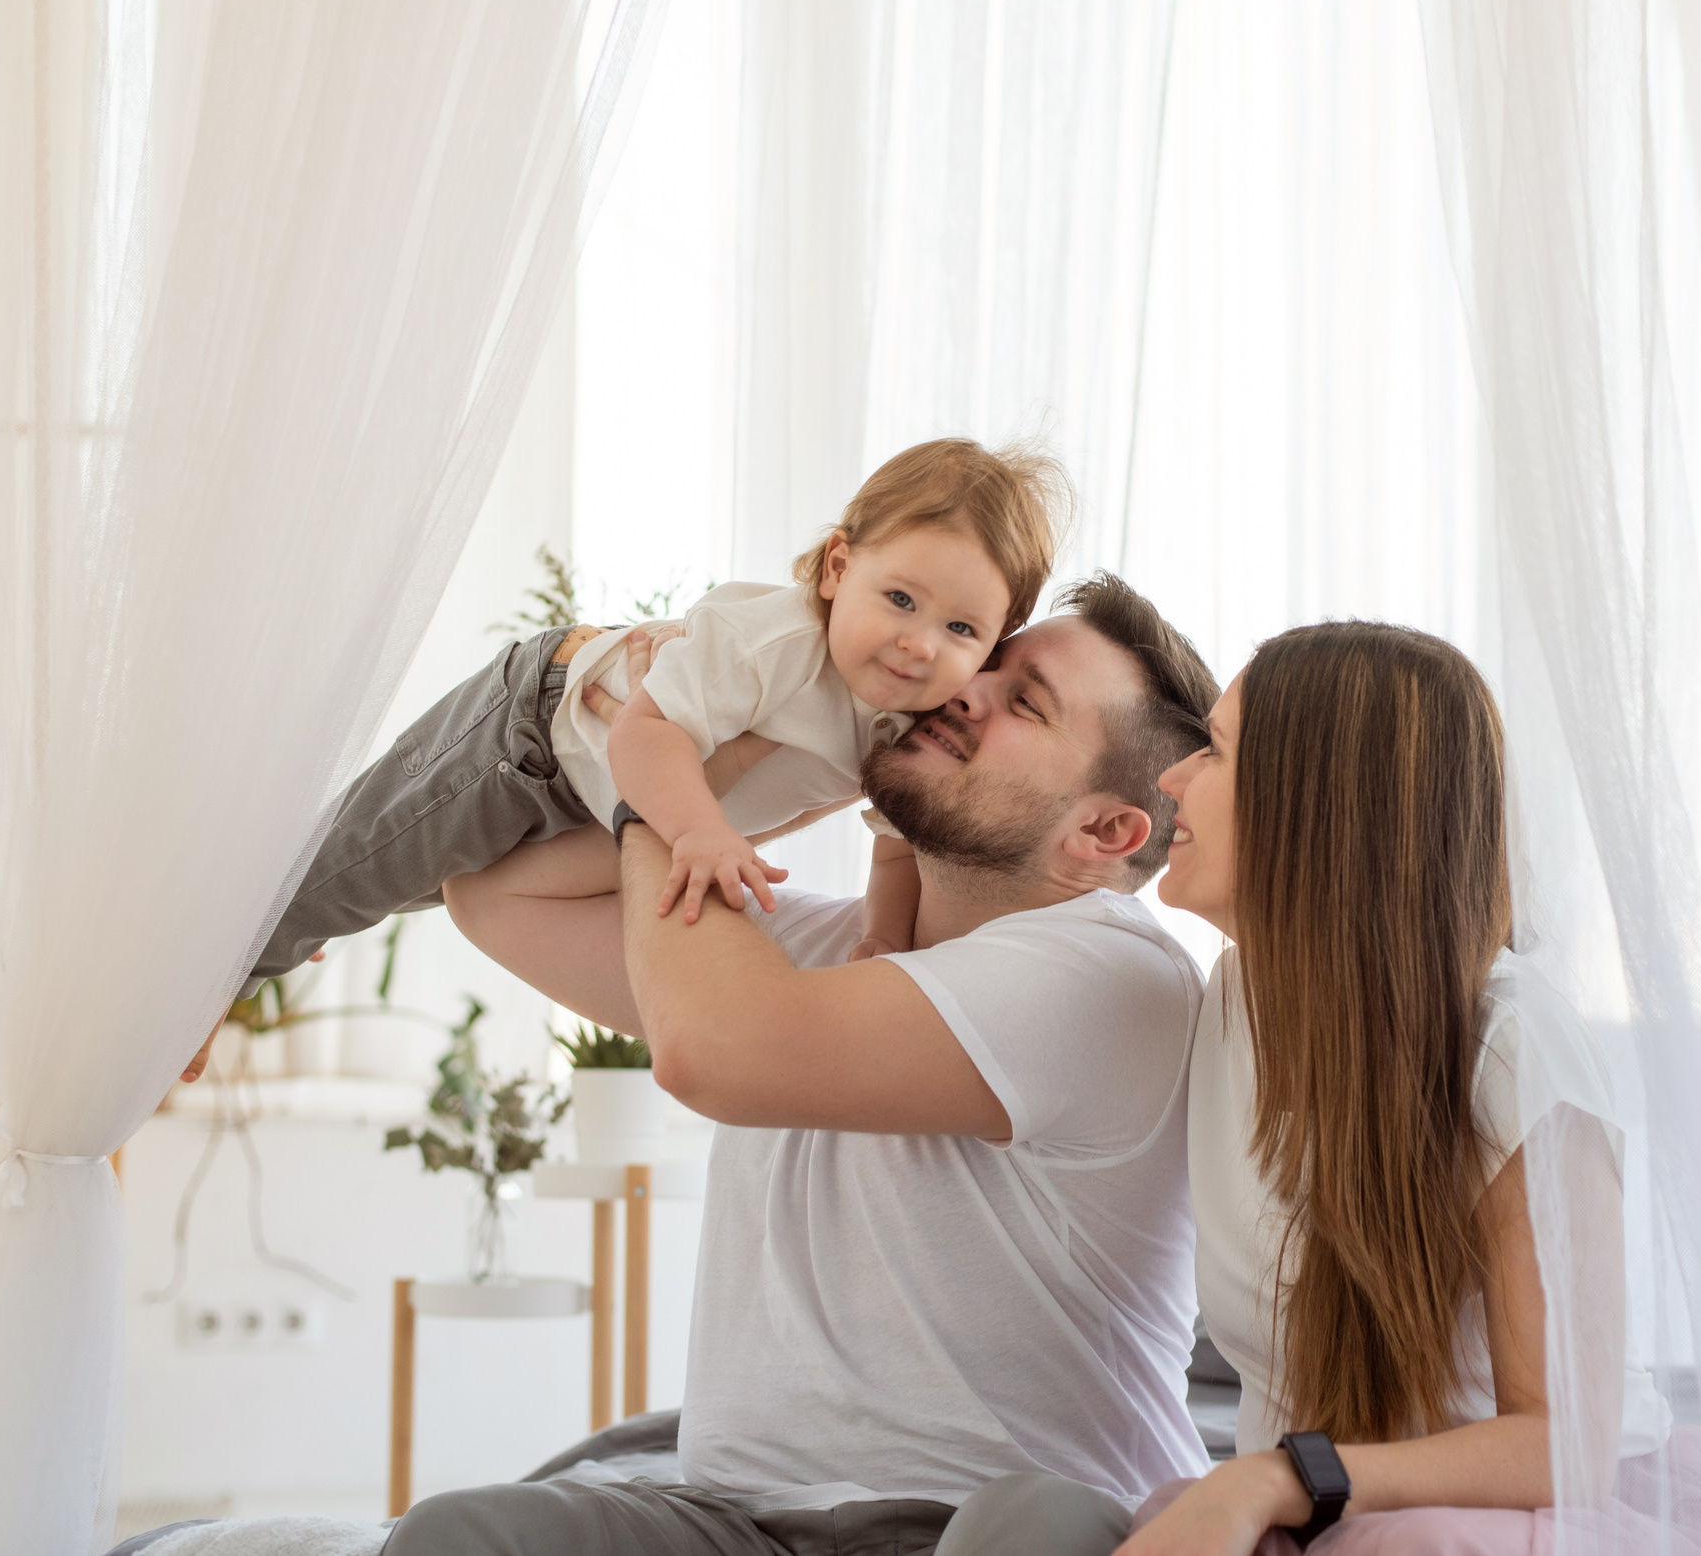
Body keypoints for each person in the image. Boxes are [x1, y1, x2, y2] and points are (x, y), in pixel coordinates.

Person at [383, 573, 1224, 1556]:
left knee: (1027, 1527)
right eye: (983, 659)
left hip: (984, 1521)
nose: (961, 685)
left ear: (1104, 833)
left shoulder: (1112, 974)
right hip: (738, 1523)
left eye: (1021, 700)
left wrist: (672, 776)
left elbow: (718, 1051)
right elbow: (493, 891)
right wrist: (744, 767)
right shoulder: (827, 952)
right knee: (463, 1535)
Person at [190, 440, 1071, 1092]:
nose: (921, 645)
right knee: (350, 869)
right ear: (840, 567)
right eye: (901, 599)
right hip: (533, 741)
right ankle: (188, 987)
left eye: (961, 630)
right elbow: (645, 735)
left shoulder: (907, 723)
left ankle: (286, 918)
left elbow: (893, 843)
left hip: (593, 815)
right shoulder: (775, 641)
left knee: (388, 880)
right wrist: (701, 831)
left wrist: (884, 937)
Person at [1106, 621, 1681, 1556]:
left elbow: (1566, 1448)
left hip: (1491, 1521)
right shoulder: (1233, 1000)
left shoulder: (1511, 1053)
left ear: (1319, 806)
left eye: (1213, 749)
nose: (1170, 779)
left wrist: (1280, 1477)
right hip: (1317, 1511)